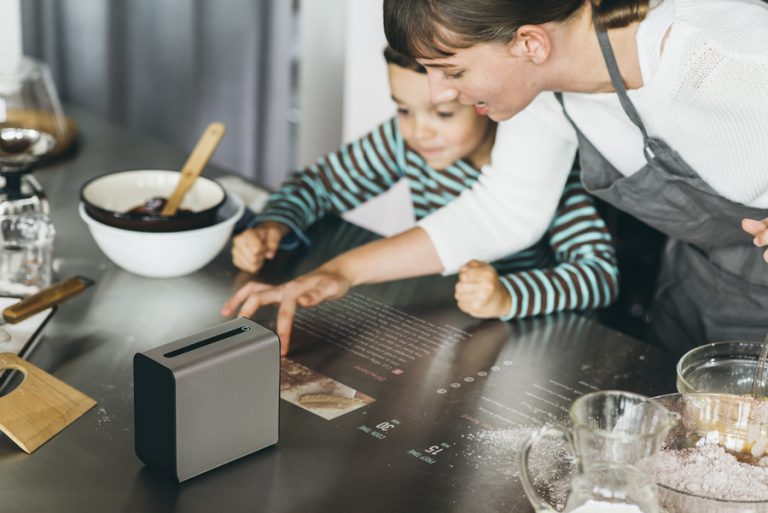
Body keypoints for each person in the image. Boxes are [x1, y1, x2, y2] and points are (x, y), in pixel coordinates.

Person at [223, 46, 620, 354]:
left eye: (443, 114)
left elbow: (600, 275)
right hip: (447, 326)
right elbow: (319, 184)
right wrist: (273, 225)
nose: (419, 131)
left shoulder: (550, 175)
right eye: (403, 109)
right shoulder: (405, 143)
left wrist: (507, 296)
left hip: (528, 342)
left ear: (485, 100)